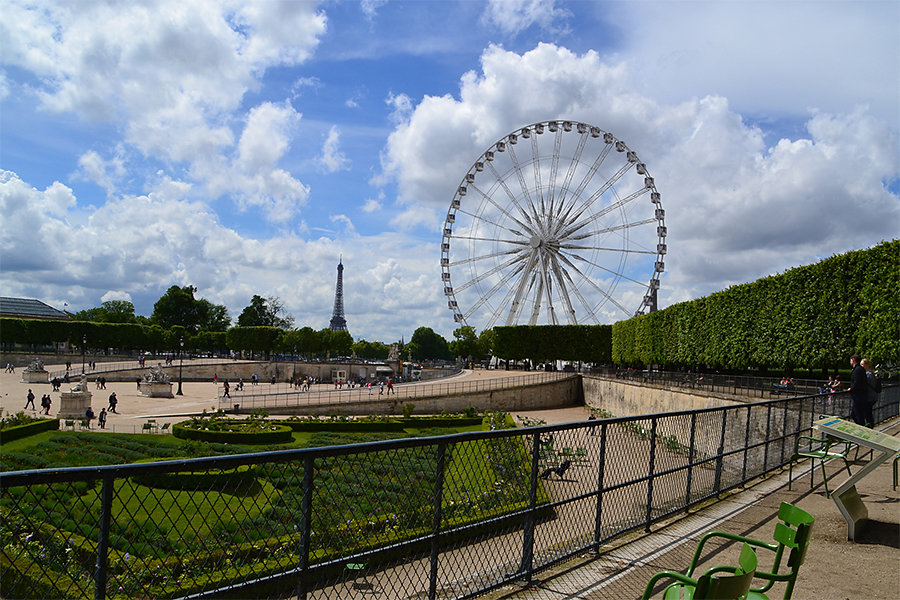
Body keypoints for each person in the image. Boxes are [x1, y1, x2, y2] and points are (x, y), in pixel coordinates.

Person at [848, 354, 868, 426]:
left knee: (857, 414)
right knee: (857, 414)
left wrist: (851, 388)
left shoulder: (857, 370)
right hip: (862, 395)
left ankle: (861, 429)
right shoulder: (861, 369)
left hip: (858, 396)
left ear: (853, 360)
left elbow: (856, 382)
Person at [861, 358, 880, 425]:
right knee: (868, 412)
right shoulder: (871, 373)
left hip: (870, 396)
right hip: (872, 396)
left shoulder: (868, 374)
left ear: (866, 365)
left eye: (862, 364)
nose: (861, 366)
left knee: (867, 412)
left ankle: (870, 425)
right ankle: (870, 424)